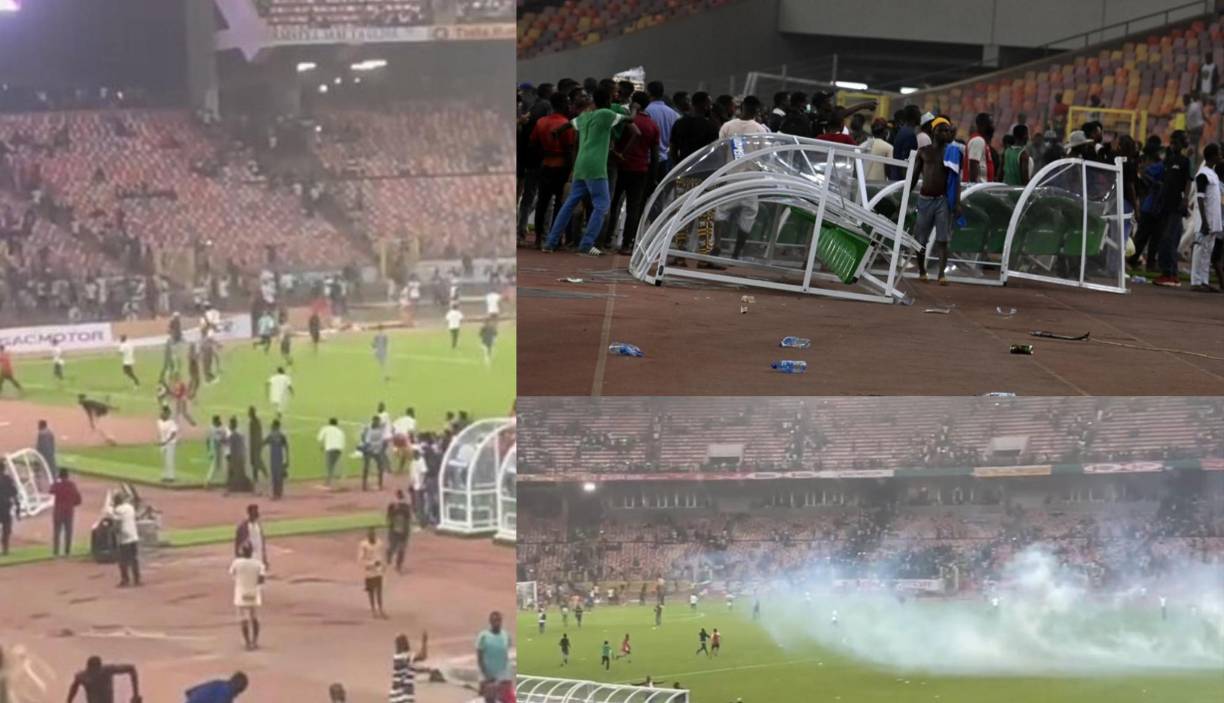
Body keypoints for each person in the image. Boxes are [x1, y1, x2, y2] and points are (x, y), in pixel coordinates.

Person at [542, 87, 640, 256]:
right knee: (602, 205)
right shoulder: (606, 114)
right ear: (608, 101)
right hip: (596, 166)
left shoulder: (585, 116)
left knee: (570, 203)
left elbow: (567, 125)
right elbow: (630, 119)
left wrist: (557, 132)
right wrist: (635, 108)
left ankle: (550, 242)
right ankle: (587, 244)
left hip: (580, 165)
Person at [607, 91, 660, 254]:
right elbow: (655, 154)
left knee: (613, 203)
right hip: (640, 170)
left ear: (633, 103)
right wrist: (654, 176)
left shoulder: (626, 120)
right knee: (633, 208)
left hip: (620, 167)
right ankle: (627, 243)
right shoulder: (652, 125)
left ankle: (606, 238)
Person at [910, 117, 960, 284]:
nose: (945, 133)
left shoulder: (951, 153)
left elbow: (955, 180)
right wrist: (905, 195)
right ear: (933, 131)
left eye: (947, 130)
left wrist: (957, 202)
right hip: (925, 199)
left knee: (943, 239)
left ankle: (941, 274)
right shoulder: (923, 151)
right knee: (920, 238)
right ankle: (922, 271)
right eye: (941, 130)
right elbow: (914, 176)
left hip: (942, 200)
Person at [1155, 130, 1192, 287]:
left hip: (1177, 205)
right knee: (1169, 238)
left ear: (1182, 144)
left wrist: (1185, 199)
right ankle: (1170, 273)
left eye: (1175, 143)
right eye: (1171, 142)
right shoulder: (1168, 160)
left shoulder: (1185, 161)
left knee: (1168, 238)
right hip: (1165, 204)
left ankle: (1170, 273)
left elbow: (1188, 181)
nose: (1172, 145)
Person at [1191, 142, 1223, 291]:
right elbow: (1200, 198)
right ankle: (1196, 282)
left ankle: (1204, 281)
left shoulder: (1213, 173)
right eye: (1219, 153)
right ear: (1213, 156)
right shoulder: (1203, 174)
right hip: (1205, 219)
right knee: (1199, 250)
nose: (1221, 155)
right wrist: (1204, 221)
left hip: (1213, 219)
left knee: (1207, 251)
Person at [229, 542, 266, 650]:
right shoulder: (258, 563)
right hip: (253, 592)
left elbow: (232, 573)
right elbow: (261, 580)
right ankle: (255, 641)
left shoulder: (237, 562)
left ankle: (247, 643)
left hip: (241, 592)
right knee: (254, 616)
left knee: (243, 618)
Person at [66, 656, 141, 703]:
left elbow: (131, 668)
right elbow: (74, 687)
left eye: (96, 670)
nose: (94, 674)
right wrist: (69, 701)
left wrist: (135, 694)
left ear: (99, 667)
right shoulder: (83, 676)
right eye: (91, 671)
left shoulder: (107, 670)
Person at [476, 611, 512, 701]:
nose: (497, 623)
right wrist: (486, 676)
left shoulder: (506, 635)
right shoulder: (483, 636)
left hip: (503, 675)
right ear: (490, 622)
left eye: (499, 620)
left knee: (507, 699)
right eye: (495, 620)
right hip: (488, 676)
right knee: (490, 700)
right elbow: (479, 659)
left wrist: (507, 675)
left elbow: (505, 654)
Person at [46, 468, 82, 557]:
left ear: (60, 475)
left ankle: (56, 552)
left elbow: (50, 490)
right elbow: (78, 500)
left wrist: (56, 481)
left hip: (58, 511)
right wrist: (71, 504)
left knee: (57, 532)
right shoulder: (72, 485)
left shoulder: (57, 485)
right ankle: (67, 552)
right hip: (69, 511)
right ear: (67, 475)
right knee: (68, 532)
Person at [107, 492, 140, 587]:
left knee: (123, 560)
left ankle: (125, 580)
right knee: (134, 559)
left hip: (124, 538)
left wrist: (112, 531)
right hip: (133, 536)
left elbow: (118, 525)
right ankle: (137, 579)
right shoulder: (130, 507)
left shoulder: (118, 510)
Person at [359, 527, 387, 618]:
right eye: (370, 534)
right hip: (369, 571)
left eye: (373, 534)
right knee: (371, 591)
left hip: (378, 570)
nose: (372, 536)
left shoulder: (379, 543)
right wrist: (371, 564)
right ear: (368, 535)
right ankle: (373, 610)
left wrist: (383, 566)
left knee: (379, 590)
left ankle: (381, 609)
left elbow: (381, 555)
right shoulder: (363, 545)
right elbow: (360, 559)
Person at [361, 415, 389, 492]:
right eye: (376, 421)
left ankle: (380, 484)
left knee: (380, 467)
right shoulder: (369, 430)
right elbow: (367, 441)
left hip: (377, 450)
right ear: (373, 421)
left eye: (378, 422)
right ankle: (364, 484)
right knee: (366, 467)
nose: (377, 423)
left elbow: (382, 441)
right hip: (369, 450)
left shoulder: (380, 430)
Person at [964, 112, 995, 183]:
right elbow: (973, 164)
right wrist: (974, 185)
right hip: (978, 187)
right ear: (982, 125)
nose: (993, 127)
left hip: (982, 186)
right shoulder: (978, 140)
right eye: (990, 124)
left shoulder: (982, 140)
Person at [386, 490, 412, 573]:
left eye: (400, 497)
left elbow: (408, 518)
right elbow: (388, 518)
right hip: (394, 531)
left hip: (404, 531)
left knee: (401, 549)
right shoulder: (392, 506)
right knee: (393, 547)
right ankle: (389, 554)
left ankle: (398, 566)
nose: (399, 500)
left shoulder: (406, 507)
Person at [264, 419, 290, 500]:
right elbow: (286, 447)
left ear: (275, 426)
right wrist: (287, 459)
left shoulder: (271, 435)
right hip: (279, 458)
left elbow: (264, 442)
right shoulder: (281, 435)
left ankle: (275, 493)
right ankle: (279, 493)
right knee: (279, 476)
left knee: (275, 476)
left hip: (274, 459)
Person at [226, 417, 252, 493]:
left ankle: (233, 488)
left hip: (237, 457)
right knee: (237, 472)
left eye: (230, 424)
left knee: (234, 472)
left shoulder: (233, 435)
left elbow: (228, 443)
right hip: (239, 456)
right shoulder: (237, 433)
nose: (229, 426)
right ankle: (235, 488)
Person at [183, 672, 248, 703]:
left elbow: (189, 692)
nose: (237, 695)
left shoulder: (219, 683)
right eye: (239, 691)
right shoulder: (226, 694)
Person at [317, 418, 345, 487]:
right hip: (339, 449)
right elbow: (342, 441)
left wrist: (321, 446)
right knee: (334, 465)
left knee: (329, 465)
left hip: (330, 448)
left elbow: (319, 438)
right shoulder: (339, 431)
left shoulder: (326, 428)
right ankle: (336, 481)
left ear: (329, 423)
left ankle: (328, 482)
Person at [157, 406, 179, 483]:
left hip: (170, 444)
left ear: (167, 413)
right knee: (163, 460)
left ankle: (171, 476)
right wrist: (160, 440)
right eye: (161, 411)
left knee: (169, 459)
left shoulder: (172, 423)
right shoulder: (159, 422)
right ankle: (165, 476)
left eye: (163, 412)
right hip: (163, 443)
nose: (161, 413)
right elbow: (160, 433)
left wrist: (166, 441)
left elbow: (173, 434)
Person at [392, 407, 416, 474]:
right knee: (412, 454)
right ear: (411, 413)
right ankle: (414, 469)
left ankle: (399, 469)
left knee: (404, 454)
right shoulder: (412, 420)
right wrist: (413, 441)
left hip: (395, 437)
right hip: (403, 437)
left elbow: (393, 428)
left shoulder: (400, 419)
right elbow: (411, 432)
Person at [206, 415, 227, 487]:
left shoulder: (221, 428)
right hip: (215, 449)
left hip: (219, 449)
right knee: (216, 465)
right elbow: (219, 440)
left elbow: (223, 439)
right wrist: (209, 450)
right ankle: (208, 481)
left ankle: (224, 480)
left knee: (220, 465)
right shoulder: (214, 429)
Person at [246, 407, 265, 489]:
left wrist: (257, 445)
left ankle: (263, 476)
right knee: (255, 462)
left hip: (256, 445)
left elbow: (257, 434)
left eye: (249, 412)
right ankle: (256, 479)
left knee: (257, 462)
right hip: (254, 444)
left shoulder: (255, 422)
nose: (248, 414)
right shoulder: (253, 422)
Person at [0, 461, 16, 556]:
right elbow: (14, 491)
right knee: (6, 528)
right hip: (5, 506)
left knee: (6, 527)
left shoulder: (7, 479)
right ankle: (5, 548)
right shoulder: (8, 479)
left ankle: (5, 548)